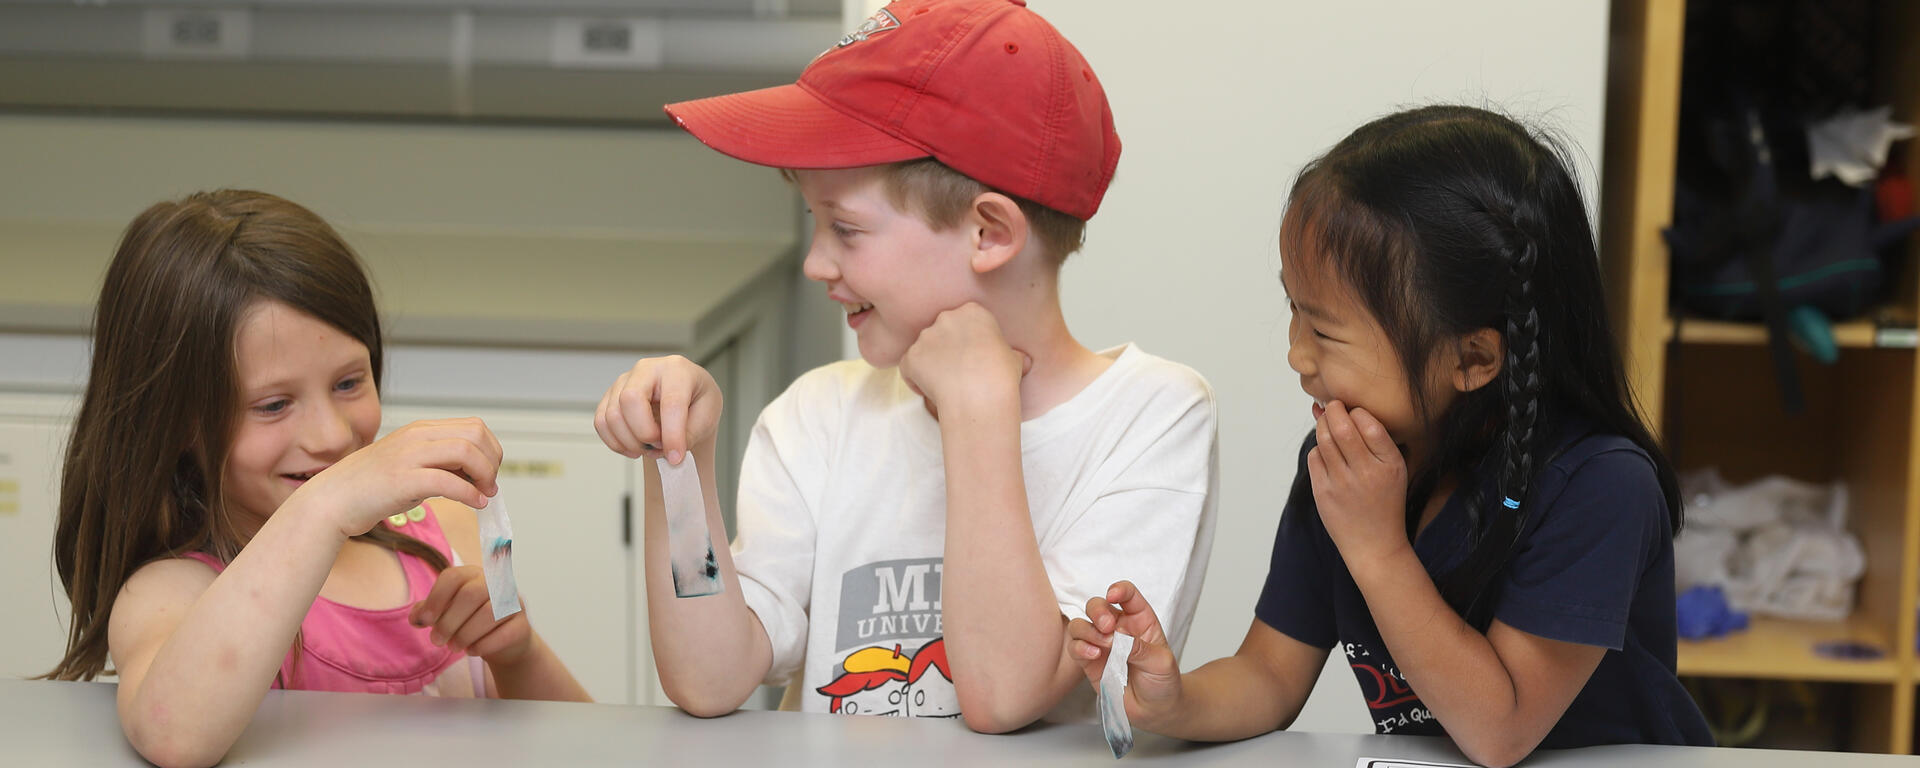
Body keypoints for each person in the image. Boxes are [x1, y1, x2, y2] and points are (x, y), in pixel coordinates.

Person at [593, 0, 1217, 733]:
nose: (814, 263)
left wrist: (979, 408)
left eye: (847, 229)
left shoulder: (1152, 416)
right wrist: (678, 464)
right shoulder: (816, 415)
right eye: (814, 223)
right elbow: (709, 676)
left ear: (989, 233)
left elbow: (1004, 696)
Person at [1068, 105, 1713, 767]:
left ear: (1472, 360)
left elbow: (1500, 732)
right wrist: (1175, 703)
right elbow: (1269, 675)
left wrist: (1377, 549)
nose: (1296, 354)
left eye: (1323, 331)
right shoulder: (1349, 467)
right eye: (1294, 310)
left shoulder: (1601, 486)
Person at [45, 190, 590, 768]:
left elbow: (584, 745)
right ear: (179, 422)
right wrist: (325, 505)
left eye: (350, 383)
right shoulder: (171, 590)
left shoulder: (446, 533)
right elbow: (174, 737)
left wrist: (517, 654)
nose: (331, 436)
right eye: (275, 404)